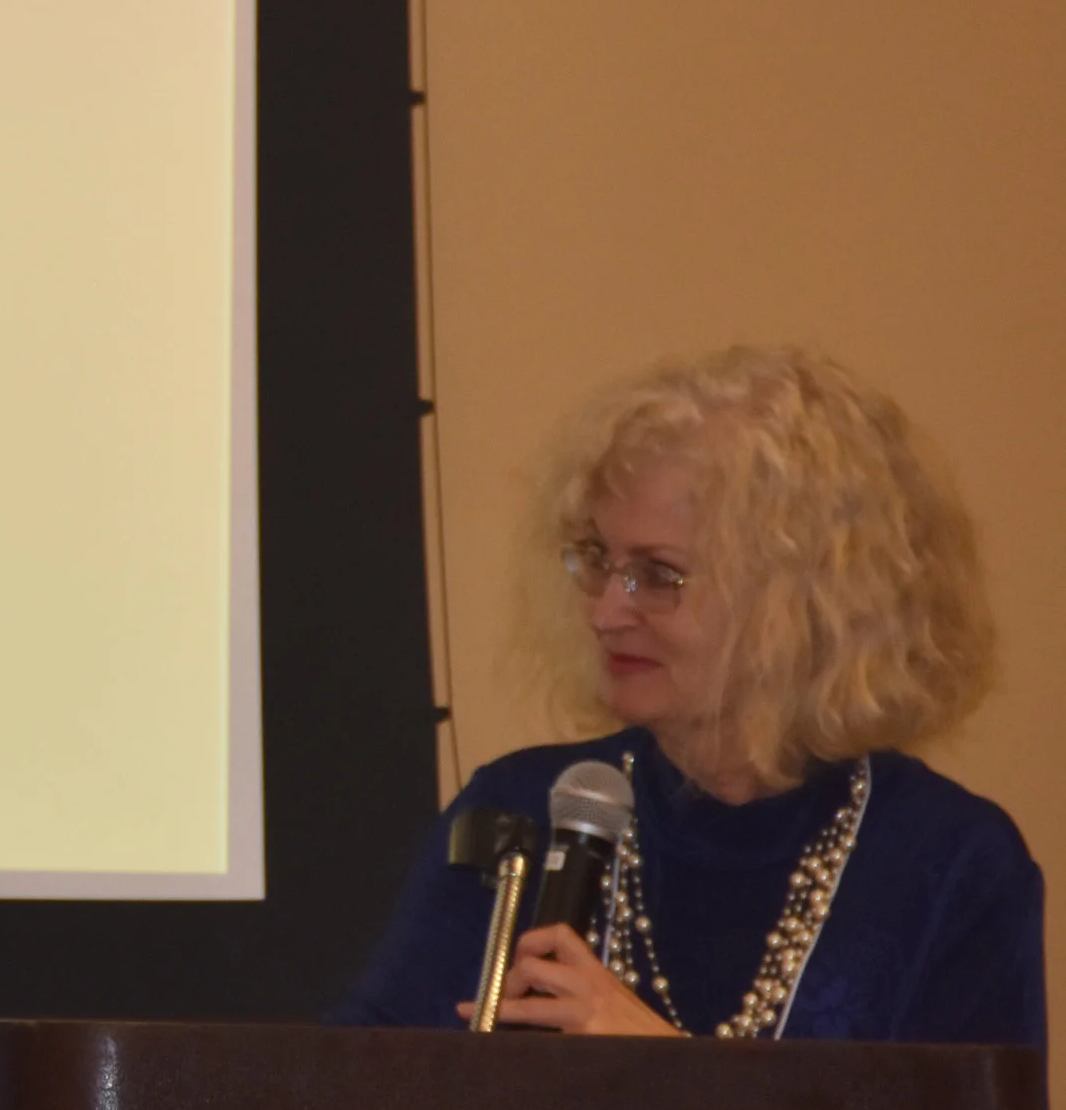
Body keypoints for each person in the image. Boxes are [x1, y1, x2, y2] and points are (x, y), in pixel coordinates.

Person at [338, 345, 1043, 1045]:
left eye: (658, 575)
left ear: (802, 602)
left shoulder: (949, 862)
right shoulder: (518, 813)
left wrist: (666, 1070)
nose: (605, 612)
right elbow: (355, 1089)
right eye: (598, 560)